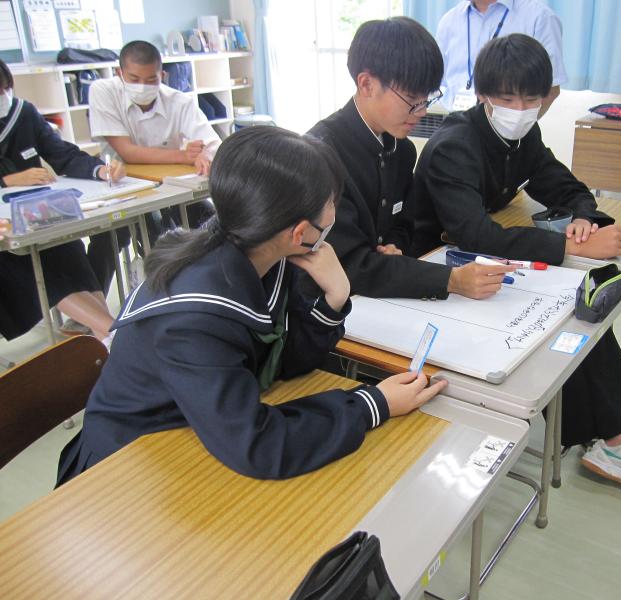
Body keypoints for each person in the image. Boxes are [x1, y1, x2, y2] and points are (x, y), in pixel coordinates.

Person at [56, 127, 447, 486]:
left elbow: (284, 362)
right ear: (299, 231)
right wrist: (373, 404)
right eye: (331, 202)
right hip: (126, 470)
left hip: (197, 436)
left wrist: (335, 297)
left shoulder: (262, 251)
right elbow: (258, 445)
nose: (334, 212)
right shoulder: (193, 319)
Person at [414, 34, 621, 500]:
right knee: (567, 309)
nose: (520, 110)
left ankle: (611, 439)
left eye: (531, 100)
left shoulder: (523, 136)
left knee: (580, 310)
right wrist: (570, 247)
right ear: (483, 95)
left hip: (476, 259)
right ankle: (612, 441)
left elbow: (563, 184)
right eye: (507, 99)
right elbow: (475, 234)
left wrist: (584, 218)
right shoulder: (455, 145)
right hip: (436, 268)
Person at [308, 16, 515, 301]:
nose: (422, 111)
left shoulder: (402, 150)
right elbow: (348, 264)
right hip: (328, 305)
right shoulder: (320, 157)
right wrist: (451, 280)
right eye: (411, 99)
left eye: (427, 99)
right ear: (366, 84)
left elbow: (405, 224)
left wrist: (395, 246)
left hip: (382, 292)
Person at [0, 59, 124, 341]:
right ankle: (114, 333)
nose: (3, 97)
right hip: (6, 242)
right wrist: (7, 180)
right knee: (37, 262)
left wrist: (100, 170)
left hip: (34, 217)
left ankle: (105, 335)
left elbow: (63, 154)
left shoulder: (23, 113)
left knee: (66, 247)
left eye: (4, 89)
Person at [89, 40, 219, 228]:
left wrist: (204, 155)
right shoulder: (103, 91)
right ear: (119, 73)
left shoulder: (180, 102)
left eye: (151, 80)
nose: (142, 87)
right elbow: (127, 152)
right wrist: (184, 156)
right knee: (136, 230)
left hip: (170, 184)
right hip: (121, 184)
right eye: (134, 79)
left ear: (162, 76)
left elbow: (213, 144)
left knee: (210, 222)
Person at [436, 0, 567, 115]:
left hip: (508, 128)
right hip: (451, 124)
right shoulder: (449, 20)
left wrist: (517, 126)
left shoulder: (540, 17)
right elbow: (438, 84)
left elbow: (551, 89)